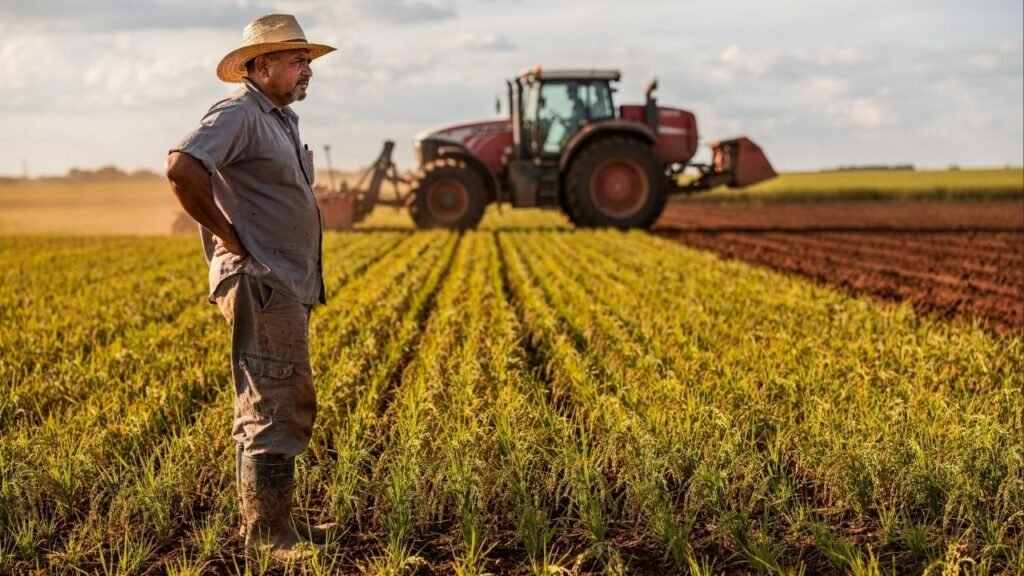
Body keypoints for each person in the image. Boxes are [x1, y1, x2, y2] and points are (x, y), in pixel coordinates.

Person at [165, 13, 337, 561]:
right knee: (273, 401)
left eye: (307, 59)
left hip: (283, 282)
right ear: (260, 66)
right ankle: (268, 535)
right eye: (295, 60)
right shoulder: (238, 112)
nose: (306, 69)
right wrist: (228, 236)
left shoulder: (279, 118)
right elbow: (182, 167)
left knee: (275, 396)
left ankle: (276, 523)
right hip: (262, 281)